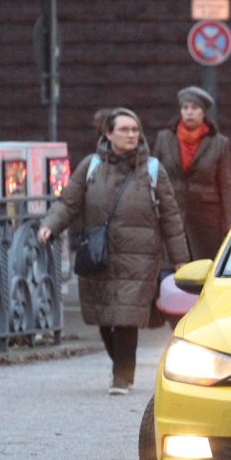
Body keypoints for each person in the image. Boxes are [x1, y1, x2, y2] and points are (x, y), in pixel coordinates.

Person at [39, 108, 190, 396]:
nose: (132, 135)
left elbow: (172, 218)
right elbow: (68, 202)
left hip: (140, 258)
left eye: (135, 130)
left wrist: (181, 260)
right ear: (109, 134)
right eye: (125, 130)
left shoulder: (153, 170)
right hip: (100, 255)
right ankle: (121, 365)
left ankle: (122, 375)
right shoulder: (91, 167)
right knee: (104, 317)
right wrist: (50, 225)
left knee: (125, 316)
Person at [152, 86, 231, 261]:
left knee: (201, 270)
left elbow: (226, 186)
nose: (189, 112)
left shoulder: (219, 143)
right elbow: (153, 178)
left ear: (203, 112)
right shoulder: (164, 138)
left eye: (194, 108)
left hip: (205, 221)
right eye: (185, 108)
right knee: (170, 270)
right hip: (171, 215)